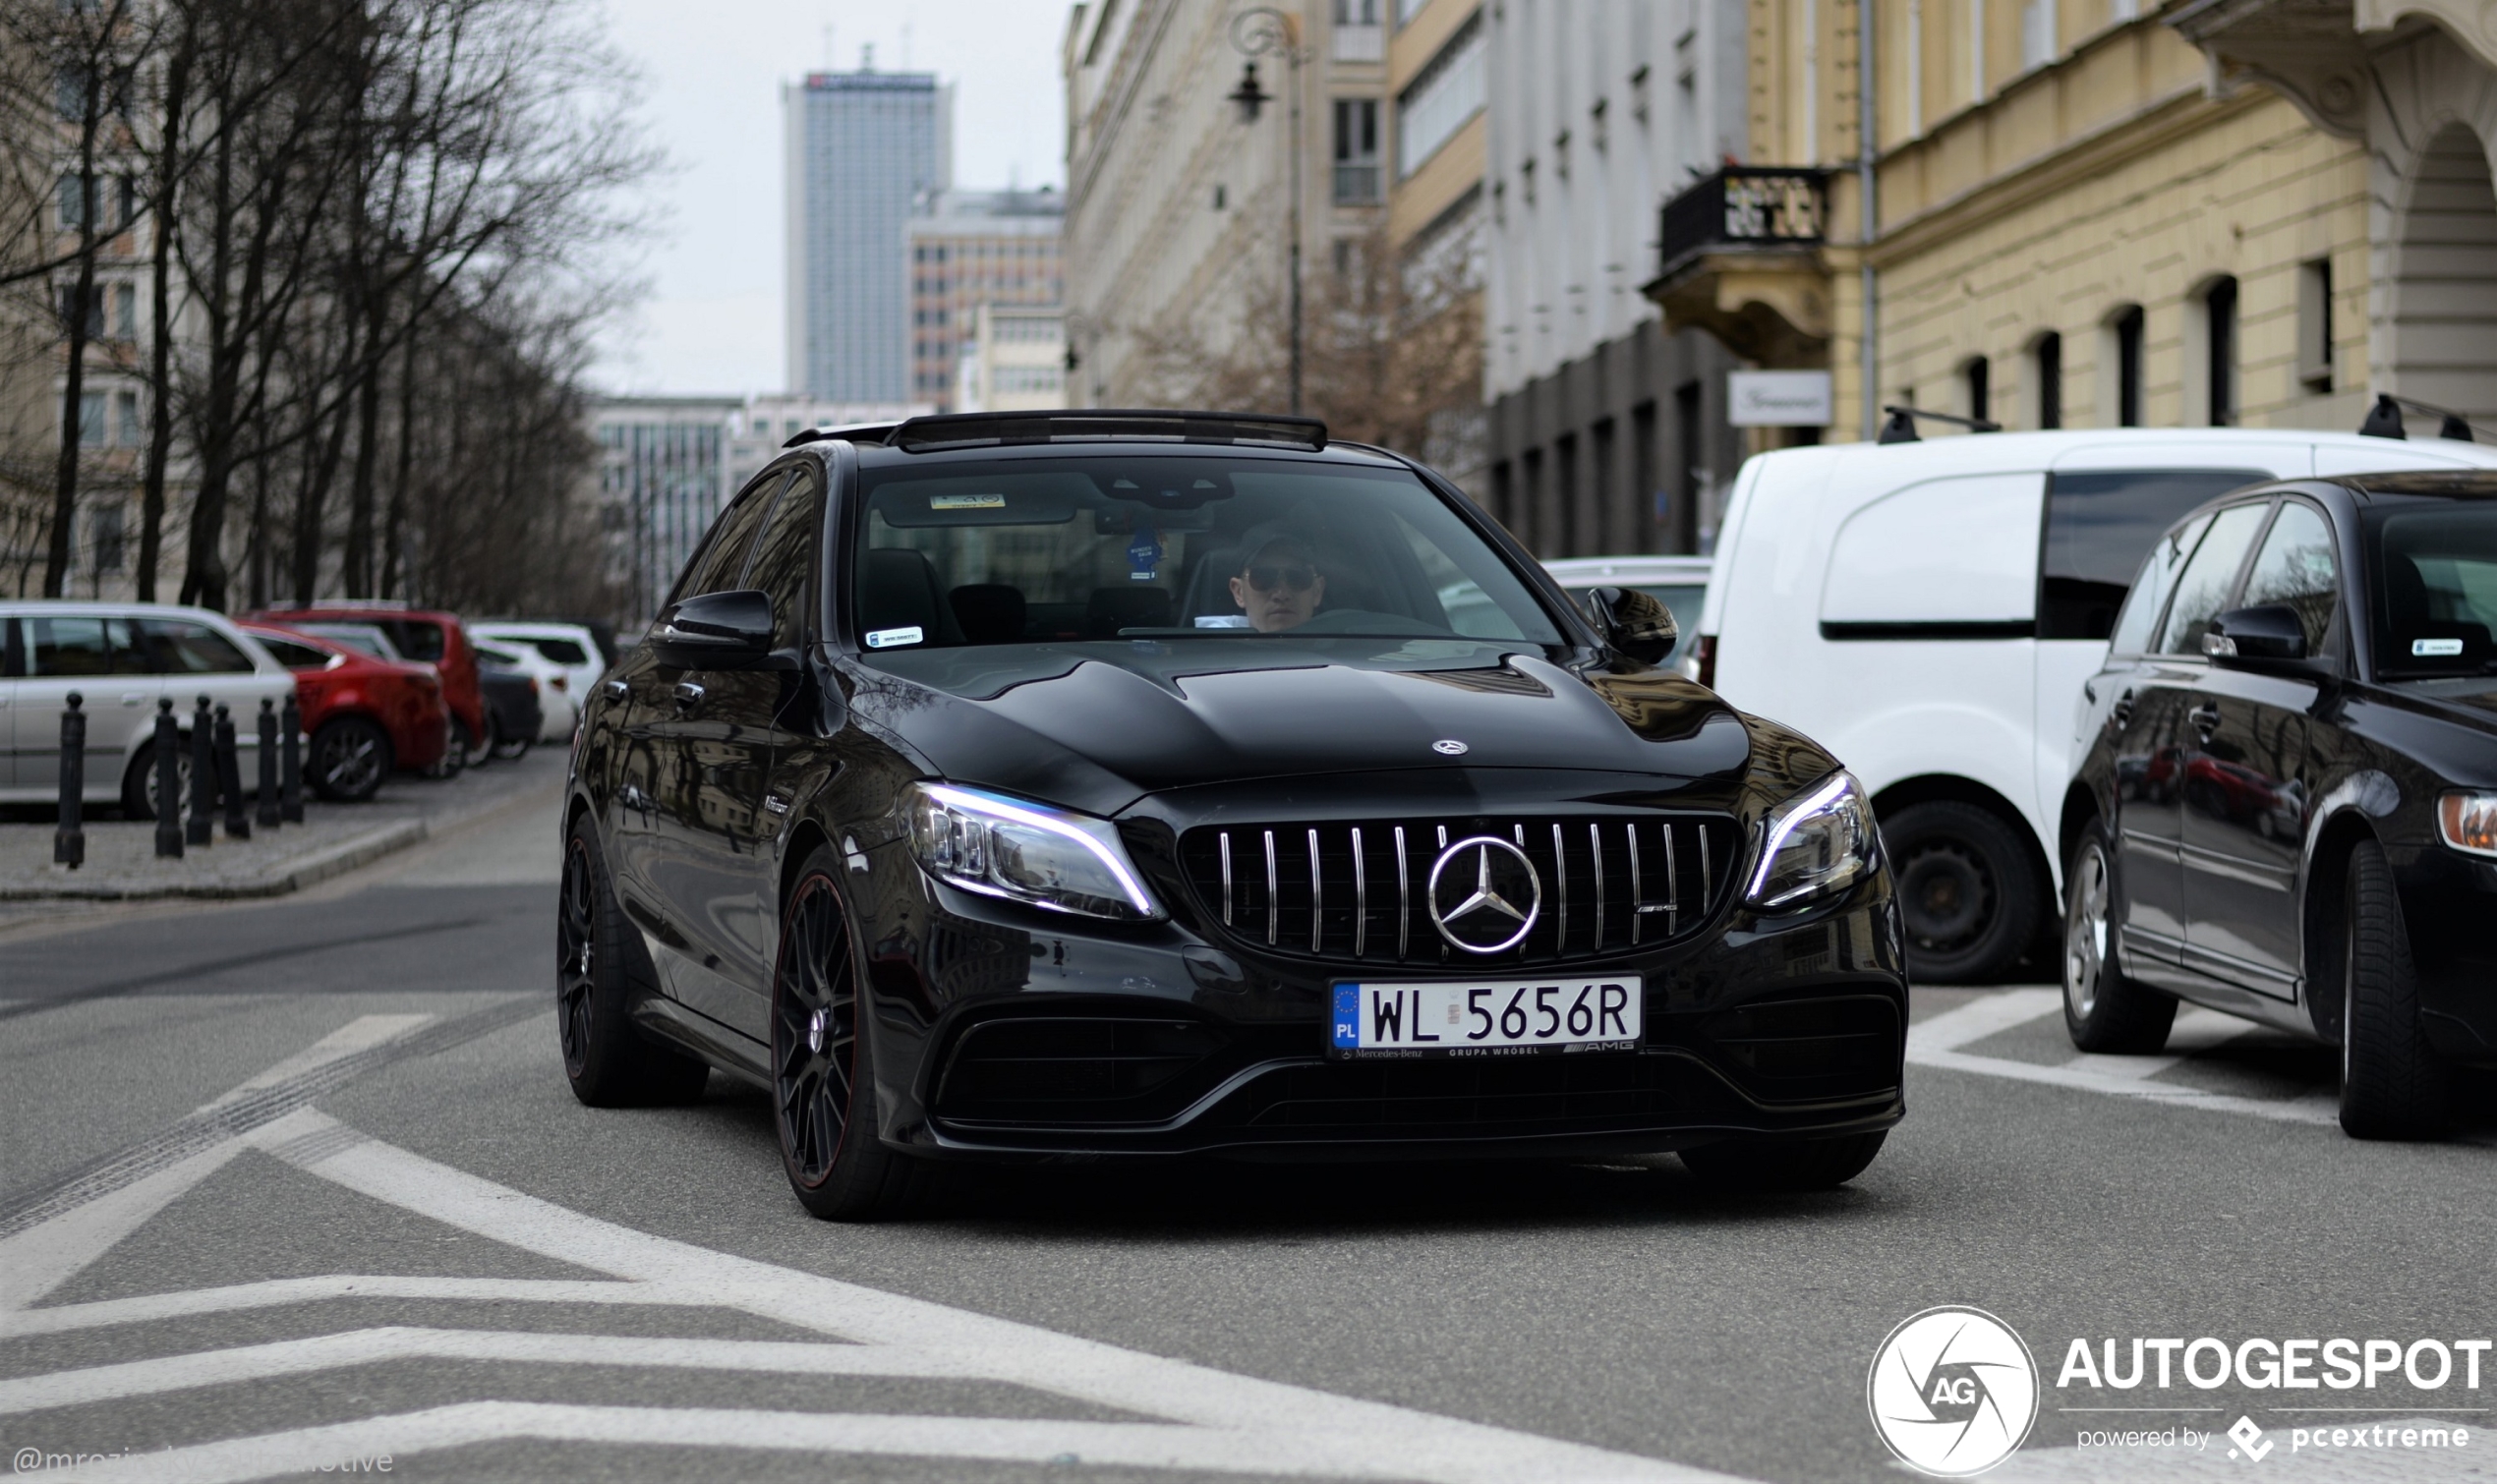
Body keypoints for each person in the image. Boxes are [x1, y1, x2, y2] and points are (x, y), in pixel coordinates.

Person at [1227, 535, 1326, 633]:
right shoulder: (1216, 646)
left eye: (1297, 577)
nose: (1281, 595)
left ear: (1317, 591)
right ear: (1239, 592)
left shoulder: (1340, 644)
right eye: (1264, 578)